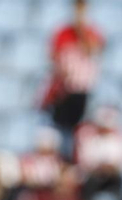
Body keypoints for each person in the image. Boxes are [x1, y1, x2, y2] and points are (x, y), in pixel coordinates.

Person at [45, 0, 105, 159]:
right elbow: (54, 59)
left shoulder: (91, 33)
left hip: (82, 91)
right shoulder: (62, 33)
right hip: (64, 90)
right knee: (60, 131)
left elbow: (94, 49)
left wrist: (81, 29)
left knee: (79, 132)